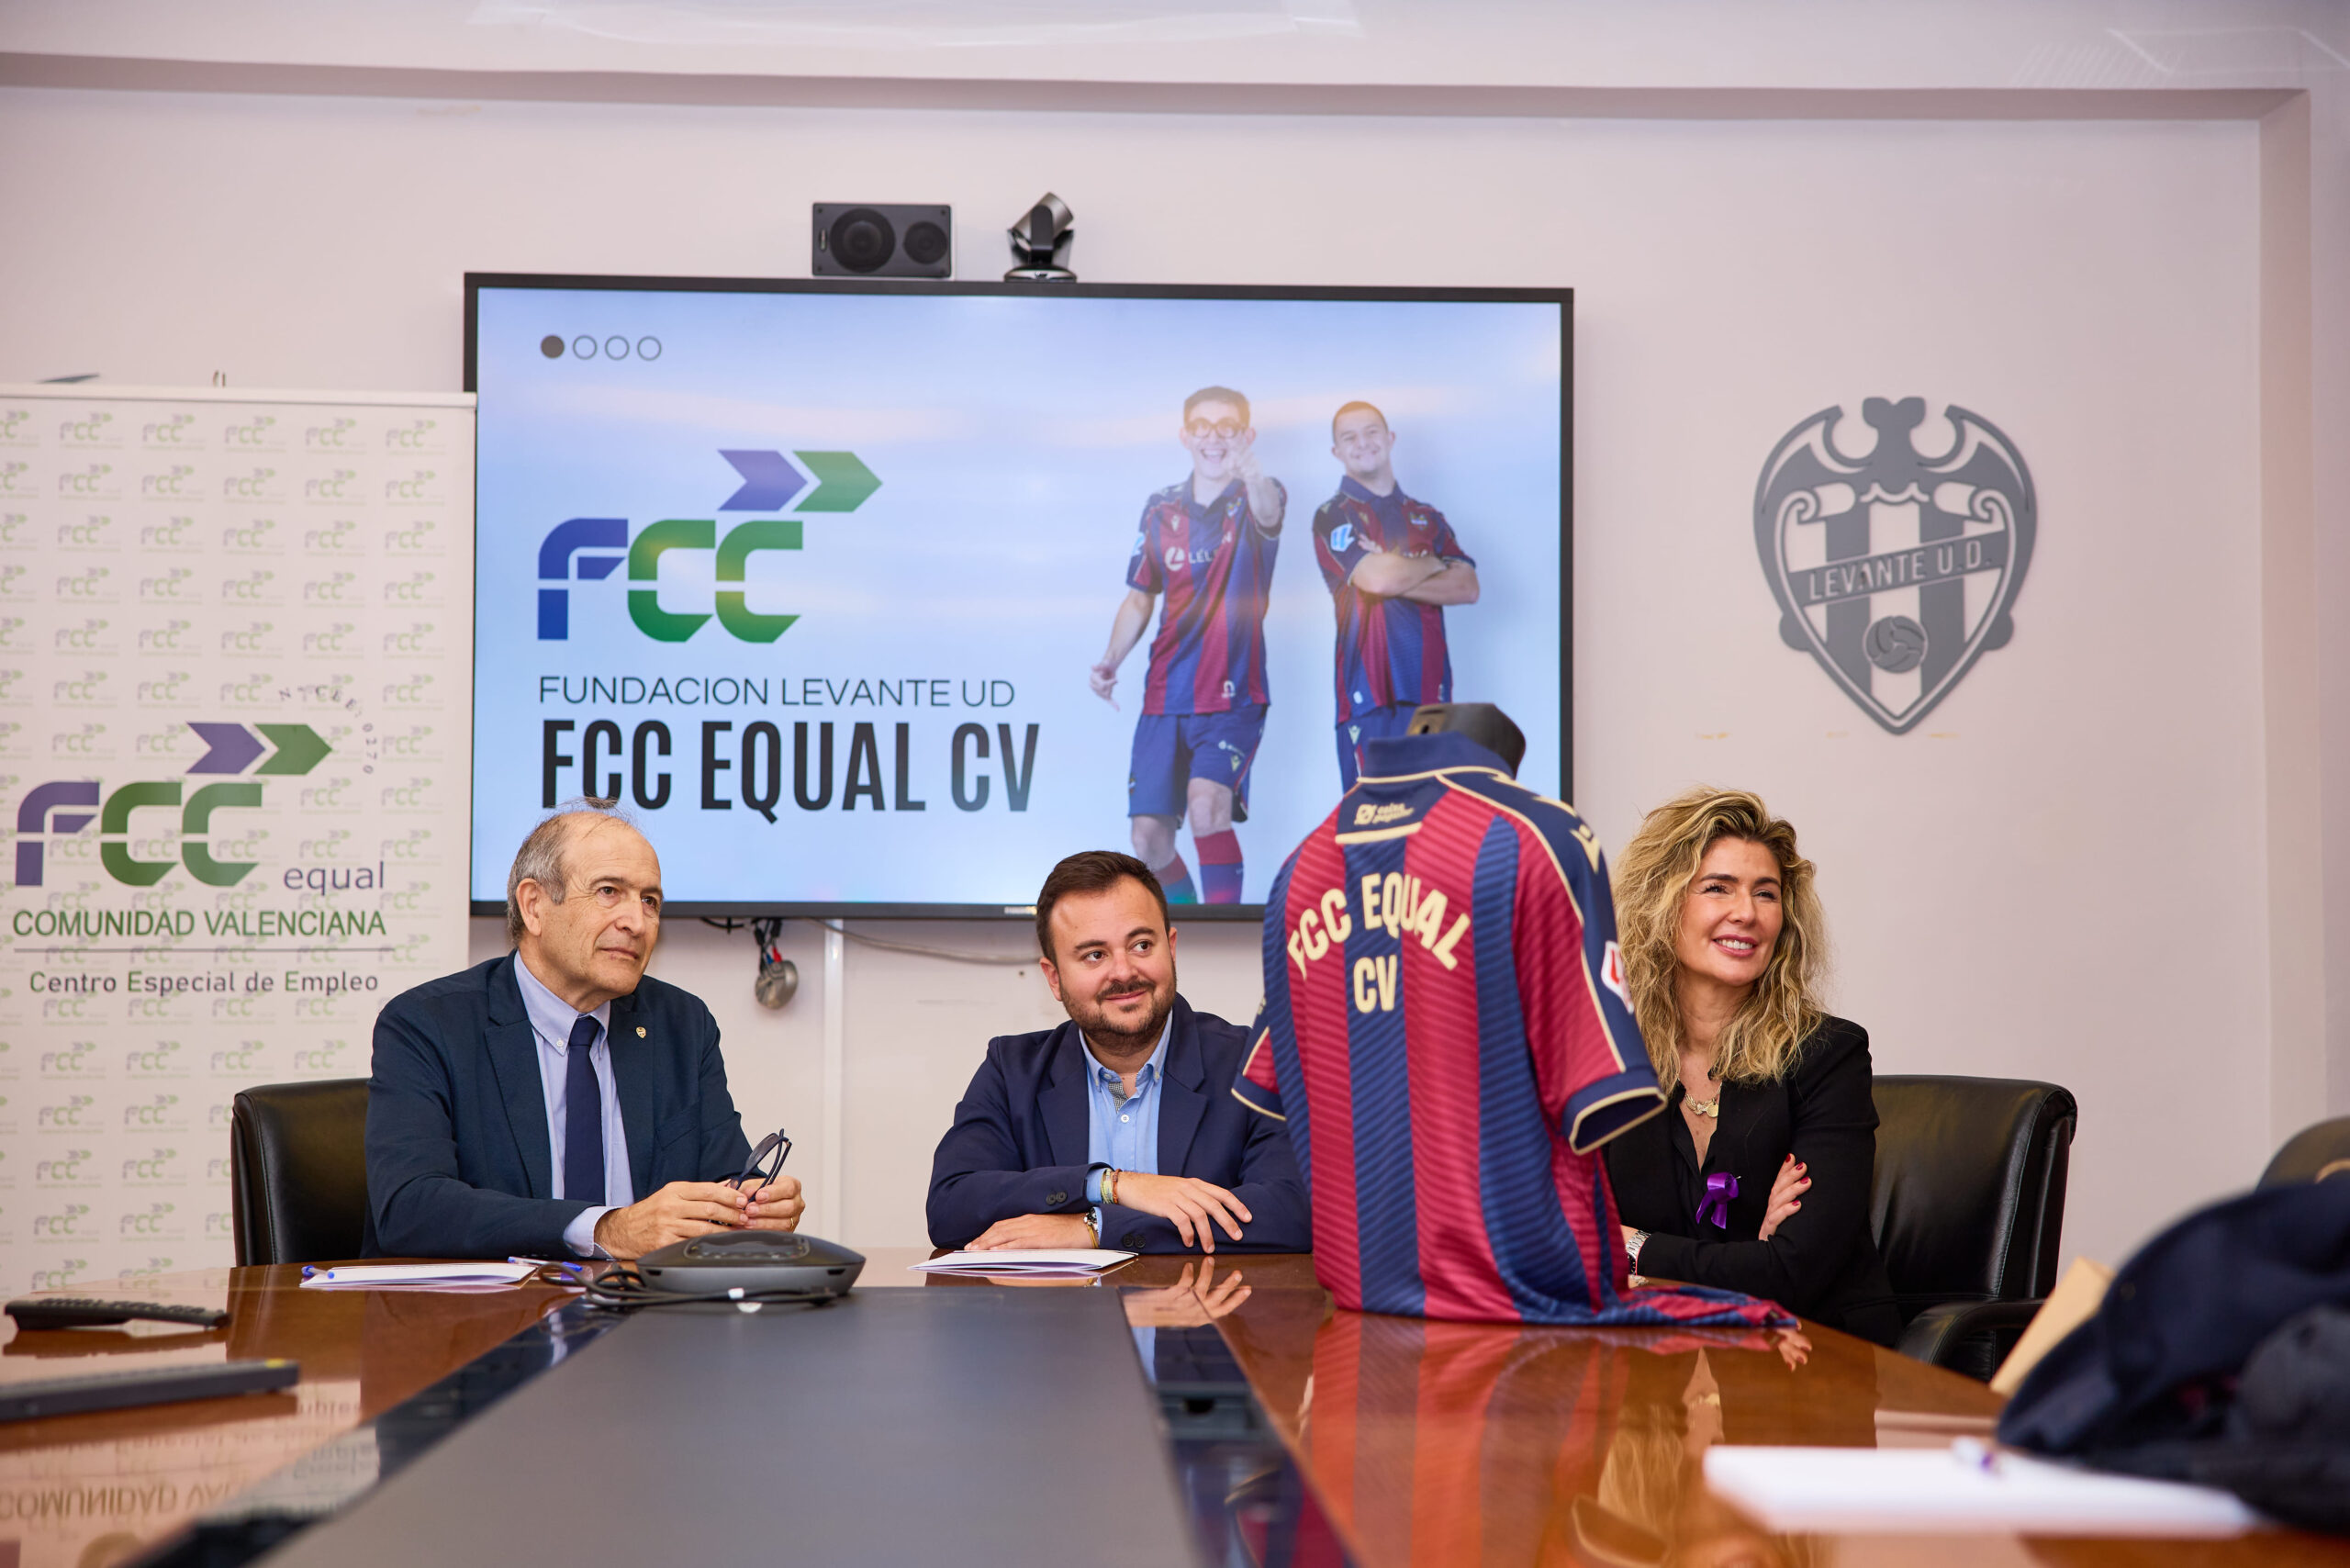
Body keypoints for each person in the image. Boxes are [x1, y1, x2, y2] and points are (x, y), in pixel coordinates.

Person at [1236, 702, 1791, 1330]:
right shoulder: (1540, 837)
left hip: (1363, 1304)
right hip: (1524, 1303)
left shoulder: (1298, 867)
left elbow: (1274, 1088)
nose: (1745, 910)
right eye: (1718, 887)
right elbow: (1596, 1090)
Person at [364, 802, 804, 1260]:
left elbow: (724, 1176)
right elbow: (410, 1207)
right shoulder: (427, 1024)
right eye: (609, 891)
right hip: (492, 1304)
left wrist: (754, 1204)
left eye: (649, 901)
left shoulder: (681, 1024)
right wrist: (606, 1229)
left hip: (643, 1302)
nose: (637, 923)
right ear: (534, 906)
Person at [1600, 787, 1901, 1346]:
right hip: (1660, 1358)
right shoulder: (1609, 1057)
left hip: (1815, 1355)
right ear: (1659, 903)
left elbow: (1791, 1273)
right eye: (1718, 887)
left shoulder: (1827, 1055)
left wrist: (1634, 1247)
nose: (1747, 912)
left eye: (1766, 893)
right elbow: (1551, 1243)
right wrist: (1749, 1256)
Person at [926, 849, 1310, 1254]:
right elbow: (951, 1207)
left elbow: (1292, 1213)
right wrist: (1110, 1185)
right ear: (1054, 978)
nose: (1124, 972)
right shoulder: (1012, 1071)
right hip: (1063, 1299)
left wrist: (1095, 1228)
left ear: (1171, 948)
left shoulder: (1256, 1062)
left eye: (1142, 945)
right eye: (1095, 955)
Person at [1089, 386, 1285, 904]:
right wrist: (1110, 660)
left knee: (1206, 807)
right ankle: (1191, 925)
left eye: (1227, 427)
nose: (1214, 437)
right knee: (1147, 842)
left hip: (1232, 695)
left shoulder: (1258, 494)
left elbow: (1270, 515)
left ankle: (1222, 936)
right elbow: (1139, 597)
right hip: (1166, 693)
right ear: (1185, 436)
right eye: (1202, 426)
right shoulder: (1160, 507)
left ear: (1246, 435)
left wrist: (1252, 471)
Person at [1311, 402, 1480, 790]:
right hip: (1367, 699)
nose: (1362, 443)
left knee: (1430, 821)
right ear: (1337, 451)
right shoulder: (1333, 515)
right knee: (1376, 820)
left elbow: (1467, 587)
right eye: (1349, 437)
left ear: (1390, 438)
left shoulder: (1428, 517)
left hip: (1430, 699)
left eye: (1371, 431)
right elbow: (1376, 579)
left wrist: (1391, 570)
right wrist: (1432, 563)